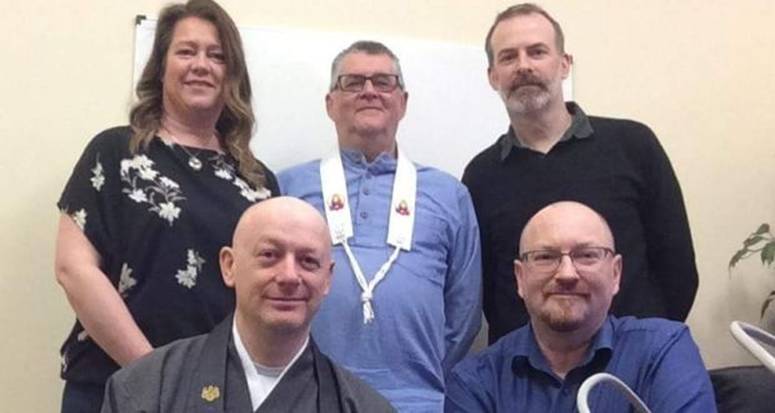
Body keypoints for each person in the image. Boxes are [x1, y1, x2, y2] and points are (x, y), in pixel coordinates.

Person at [54, 1, 279, 411]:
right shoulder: (115, 152)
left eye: (216, 55)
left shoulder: (258, 183)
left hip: (215, 395)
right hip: (113, 384)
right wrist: (155, 375)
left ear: (232, 75)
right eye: (186, 51)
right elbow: (74, 269)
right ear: (160, 67)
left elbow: (266, 290)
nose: (201, 65)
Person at [462, 3, 699, 344]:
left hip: (634, 367)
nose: (524, 65)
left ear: (564, 65)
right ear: (493, 76)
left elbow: (678, 268)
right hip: (531, 380)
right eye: (509, 57)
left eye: (537, 52)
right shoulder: (481, 176)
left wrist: (647, 347)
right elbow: (488, 290)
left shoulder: (633, 145)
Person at [279, 40, 482, 411]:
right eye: (353, 82)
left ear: (402, 102)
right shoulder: (287, 187)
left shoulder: (449, 194)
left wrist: (423, 373)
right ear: (330, 103)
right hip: (308, 397)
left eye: (383, 82)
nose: (369, 91)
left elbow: (464, 309)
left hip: (418, 400)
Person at [100, 197, 394, 412]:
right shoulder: (146, 388)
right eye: (269, 255)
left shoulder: (364, 407)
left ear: (327, 279)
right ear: (229, 266)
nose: (290, 276)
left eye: (308, 261)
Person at [445, 201, 716, 412]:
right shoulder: (475, 383)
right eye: (545, 257)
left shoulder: (664, 350)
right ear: (520, 277)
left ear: (616, 273)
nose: (566, 274)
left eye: (587, 255)